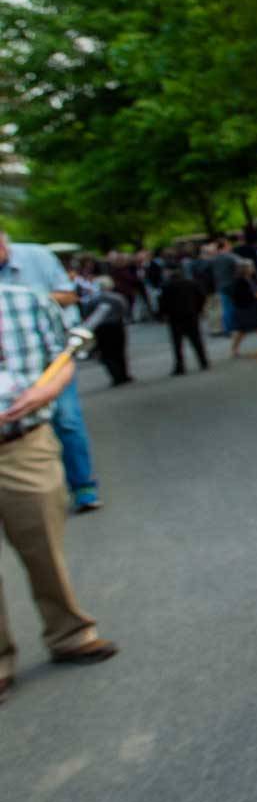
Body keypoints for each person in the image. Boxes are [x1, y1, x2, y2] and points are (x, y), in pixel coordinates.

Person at [0, 280, 120, 707]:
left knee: (43, 547)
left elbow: (64, 359)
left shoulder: (26, 301)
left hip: (23, 444)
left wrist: (48, 390)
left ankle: (69, 634)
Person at [0, 229, 98, 512]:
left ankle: (83, 485)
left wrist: (26, 300)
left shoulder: (37, 257)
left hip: (48, 354)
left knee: (66, 418)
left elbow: (69, 295)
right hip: (12, 365)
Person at [159, 258, 210, 376]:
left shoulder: (167, 286)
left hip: (175, 317)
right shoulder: (191, 283)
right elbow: (201, 296)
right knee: (196, 339)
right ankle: (203, 361)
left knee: (177, 343)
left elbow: (163, 303)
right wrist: (198, 309)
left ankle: (180, 366)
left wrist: (162, 315)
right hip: (191, 314)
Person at [227, 253, 257, 356]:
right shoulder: (240, 281)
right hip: (244, 307)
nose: (253, 268)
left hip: (250, 306)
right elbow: (246, 295)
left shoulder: (250, 279)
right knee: (246, 329)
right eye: (251, 267)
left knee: (251, 328)